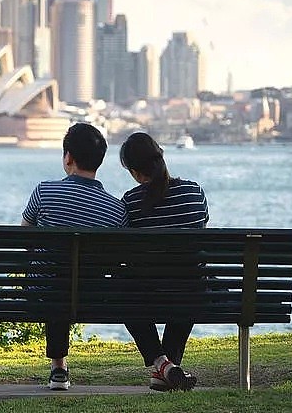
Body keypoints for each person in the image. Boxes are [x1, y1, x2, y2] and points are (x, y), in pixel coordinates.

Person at [21, 122, 126, 390]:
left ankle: (58, 368)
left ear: (68, 157)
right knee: (69, 278)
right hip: (92, 294)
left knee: (55, 276)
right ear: (100, 161)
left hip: (43, 291)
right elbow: (116, 260)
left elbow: (25, 236)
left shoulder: (44, 191)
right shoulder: (116, 210)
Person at [120, 131, 208, 392]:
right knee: (190, 279)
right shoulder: (194, 192)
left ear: (135, 172)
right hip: (191, 293)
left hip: (146, 295)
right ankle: (169, 369)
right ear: (162, 158)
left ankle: (163, 364)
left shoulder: (130, 203)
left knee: (121, 290)